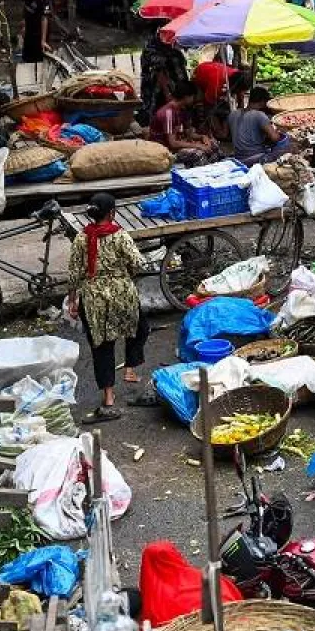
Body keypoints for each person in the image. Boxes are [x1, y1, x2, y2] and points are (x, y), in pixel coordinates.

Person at [67, 194, 150, 424]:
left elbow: (74, 273)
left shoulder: (81, 239)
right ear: (112, 213)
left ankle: (109, 398)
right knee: (139, 329)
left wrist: (73, 300)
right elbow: (139, 263)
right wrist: (124, 274)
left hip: (93, 299)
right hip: (122, 294)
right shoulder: (120, 236)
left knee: (102, 347)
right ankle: (130, 367)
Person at [149, 80, 220, 167]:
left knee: (214, 144)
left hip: (178, 144)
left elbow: (188, 133)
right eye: (193, 96)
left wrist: (202, 137)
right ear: (186, 97)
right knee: (198, 154)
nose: (194, 99)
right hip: (166, 150)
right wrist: (197, 146)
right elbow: (172, 143)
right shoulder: (168, 113)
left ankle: (215, 170)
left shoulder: (181, 110)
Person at [230, 87, 294, 164]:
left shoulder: (233, 114)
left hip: (238, 157)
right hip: (256, 157)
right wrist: (279, 131)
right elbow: (275, 138)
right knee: (287, 140)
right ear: (263, 102)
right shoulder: (259, 115)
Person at [139, 26, 188, 125]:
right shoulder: (153, 51)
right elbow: (159, 75)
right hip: (159, 90)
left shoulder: (172, 49)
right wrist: (167, 93)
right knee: (161, 113)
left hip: (175, 87)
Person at [22, 0, 53, 64]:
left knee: (38, 57)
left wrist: (43, 40)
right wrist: (24, 24)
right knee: (27, 56)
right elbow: (26, 7)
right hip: (29, 27)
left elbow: (44, 19)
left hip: (39, 30)